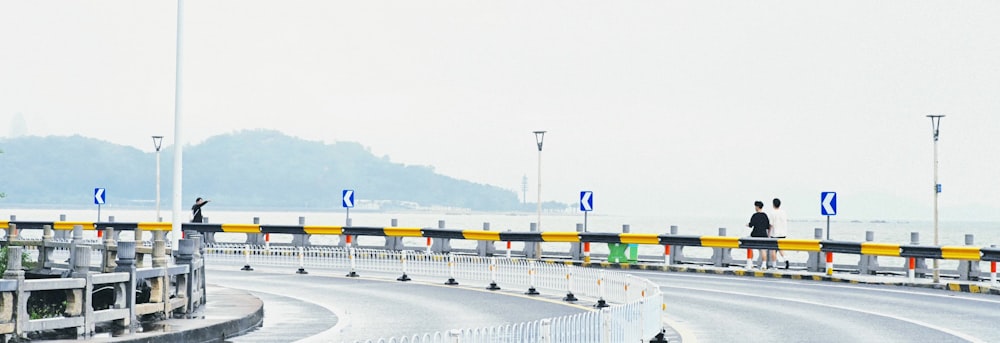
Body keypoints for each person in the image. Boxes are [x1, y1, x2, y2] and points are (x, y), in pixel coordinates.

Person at [747, 200, 771, 269]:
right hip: (763, 235)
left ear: (757, 207)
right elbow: (767, 226)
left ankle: (750, 263)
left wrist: (747, 225)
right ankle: (764, 265)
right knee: (763, 250)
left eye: (755, 206)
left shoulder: (755, 215)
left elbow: (751, 224)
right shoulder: (765, 216)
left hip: (755, 235)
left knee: (750, 248)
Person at [768, 198, 789, 269]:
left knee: (773, 250)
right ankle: (786, 259)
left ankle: (774, 265)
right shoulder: (783, 212)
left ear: (773, 204)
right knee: (781, 248)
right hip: (783, 233)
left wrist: (768, 234)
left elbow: (771, 224)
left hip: (775, 233)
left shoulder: (772, 213)